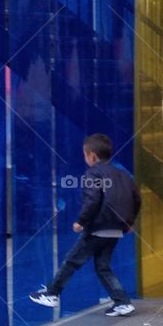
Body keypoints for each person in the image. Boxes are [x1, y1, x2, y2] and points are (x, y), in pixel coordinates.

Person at [29, 134, 141, 316]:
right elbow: (137, 199)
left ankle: (52, 293)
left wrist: (81, 221)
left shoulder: (93, 173)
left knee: (72, 260)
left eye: (85, 154)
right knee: (102, 265)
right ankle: (122, 302)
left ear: (92, 156)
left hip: (98, 226)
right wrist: (129, 221)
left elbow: (92, 200)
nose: (85, 158)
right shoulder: (122, 175)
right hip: (116, 228)